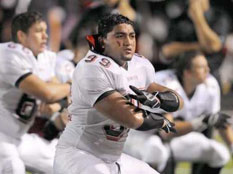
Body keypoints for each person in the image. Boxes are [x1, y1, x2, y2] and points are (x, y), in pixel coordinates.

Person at [53, 14, 184, 174]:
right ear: (102, 40)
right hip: (78, 154)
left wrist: (158, 99)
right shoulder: (92, 68)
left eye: (132, 36)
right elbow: (131, 119)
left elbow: (177, 101)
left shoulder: (139, 65)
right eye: (119, 36)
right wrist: (160, 121)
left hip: (113, 157)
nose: (128, 42)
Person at [124, 50, 233, 174]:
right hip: (142, 136)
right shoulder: (164, 82)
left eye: (206, 66)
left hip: (175, 138)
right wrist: (200, 122)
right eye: (201, 67)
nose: (207, 70)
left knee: (219, 154)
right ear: (187, 72)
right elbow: (167, 131)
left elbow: (219, 120)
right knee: (157, 152)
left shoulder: (210, 85)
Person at [0, 11, 70, 173]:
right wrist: (71, 85)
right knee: (13, 167)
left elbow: (61, 95)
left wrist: (58, 104)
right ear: (22, 36)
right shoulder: (9, 55)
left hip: (17, 138)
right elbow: (47, 93)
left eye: (46, 30)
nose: (45, 36)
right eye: (39, 31)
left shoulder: (44, 58)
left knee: (64, 163)